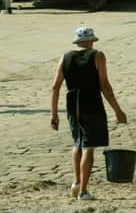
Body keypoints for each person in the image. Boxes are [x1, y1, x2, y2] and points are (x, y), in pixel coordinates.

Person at [50, 27, 127, 201]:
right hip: (91, 101)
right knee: (88, 147)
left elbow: (55, 87)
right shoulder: (98, 56)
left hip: (72, 101)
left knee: (77, 142)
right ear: (91, 41)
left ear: (77, 42)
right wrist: (118, 110)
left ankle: (76, 182)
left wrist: (53, 114)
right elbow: (105, 86)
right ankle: (83, 191)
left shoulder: (65, 57)